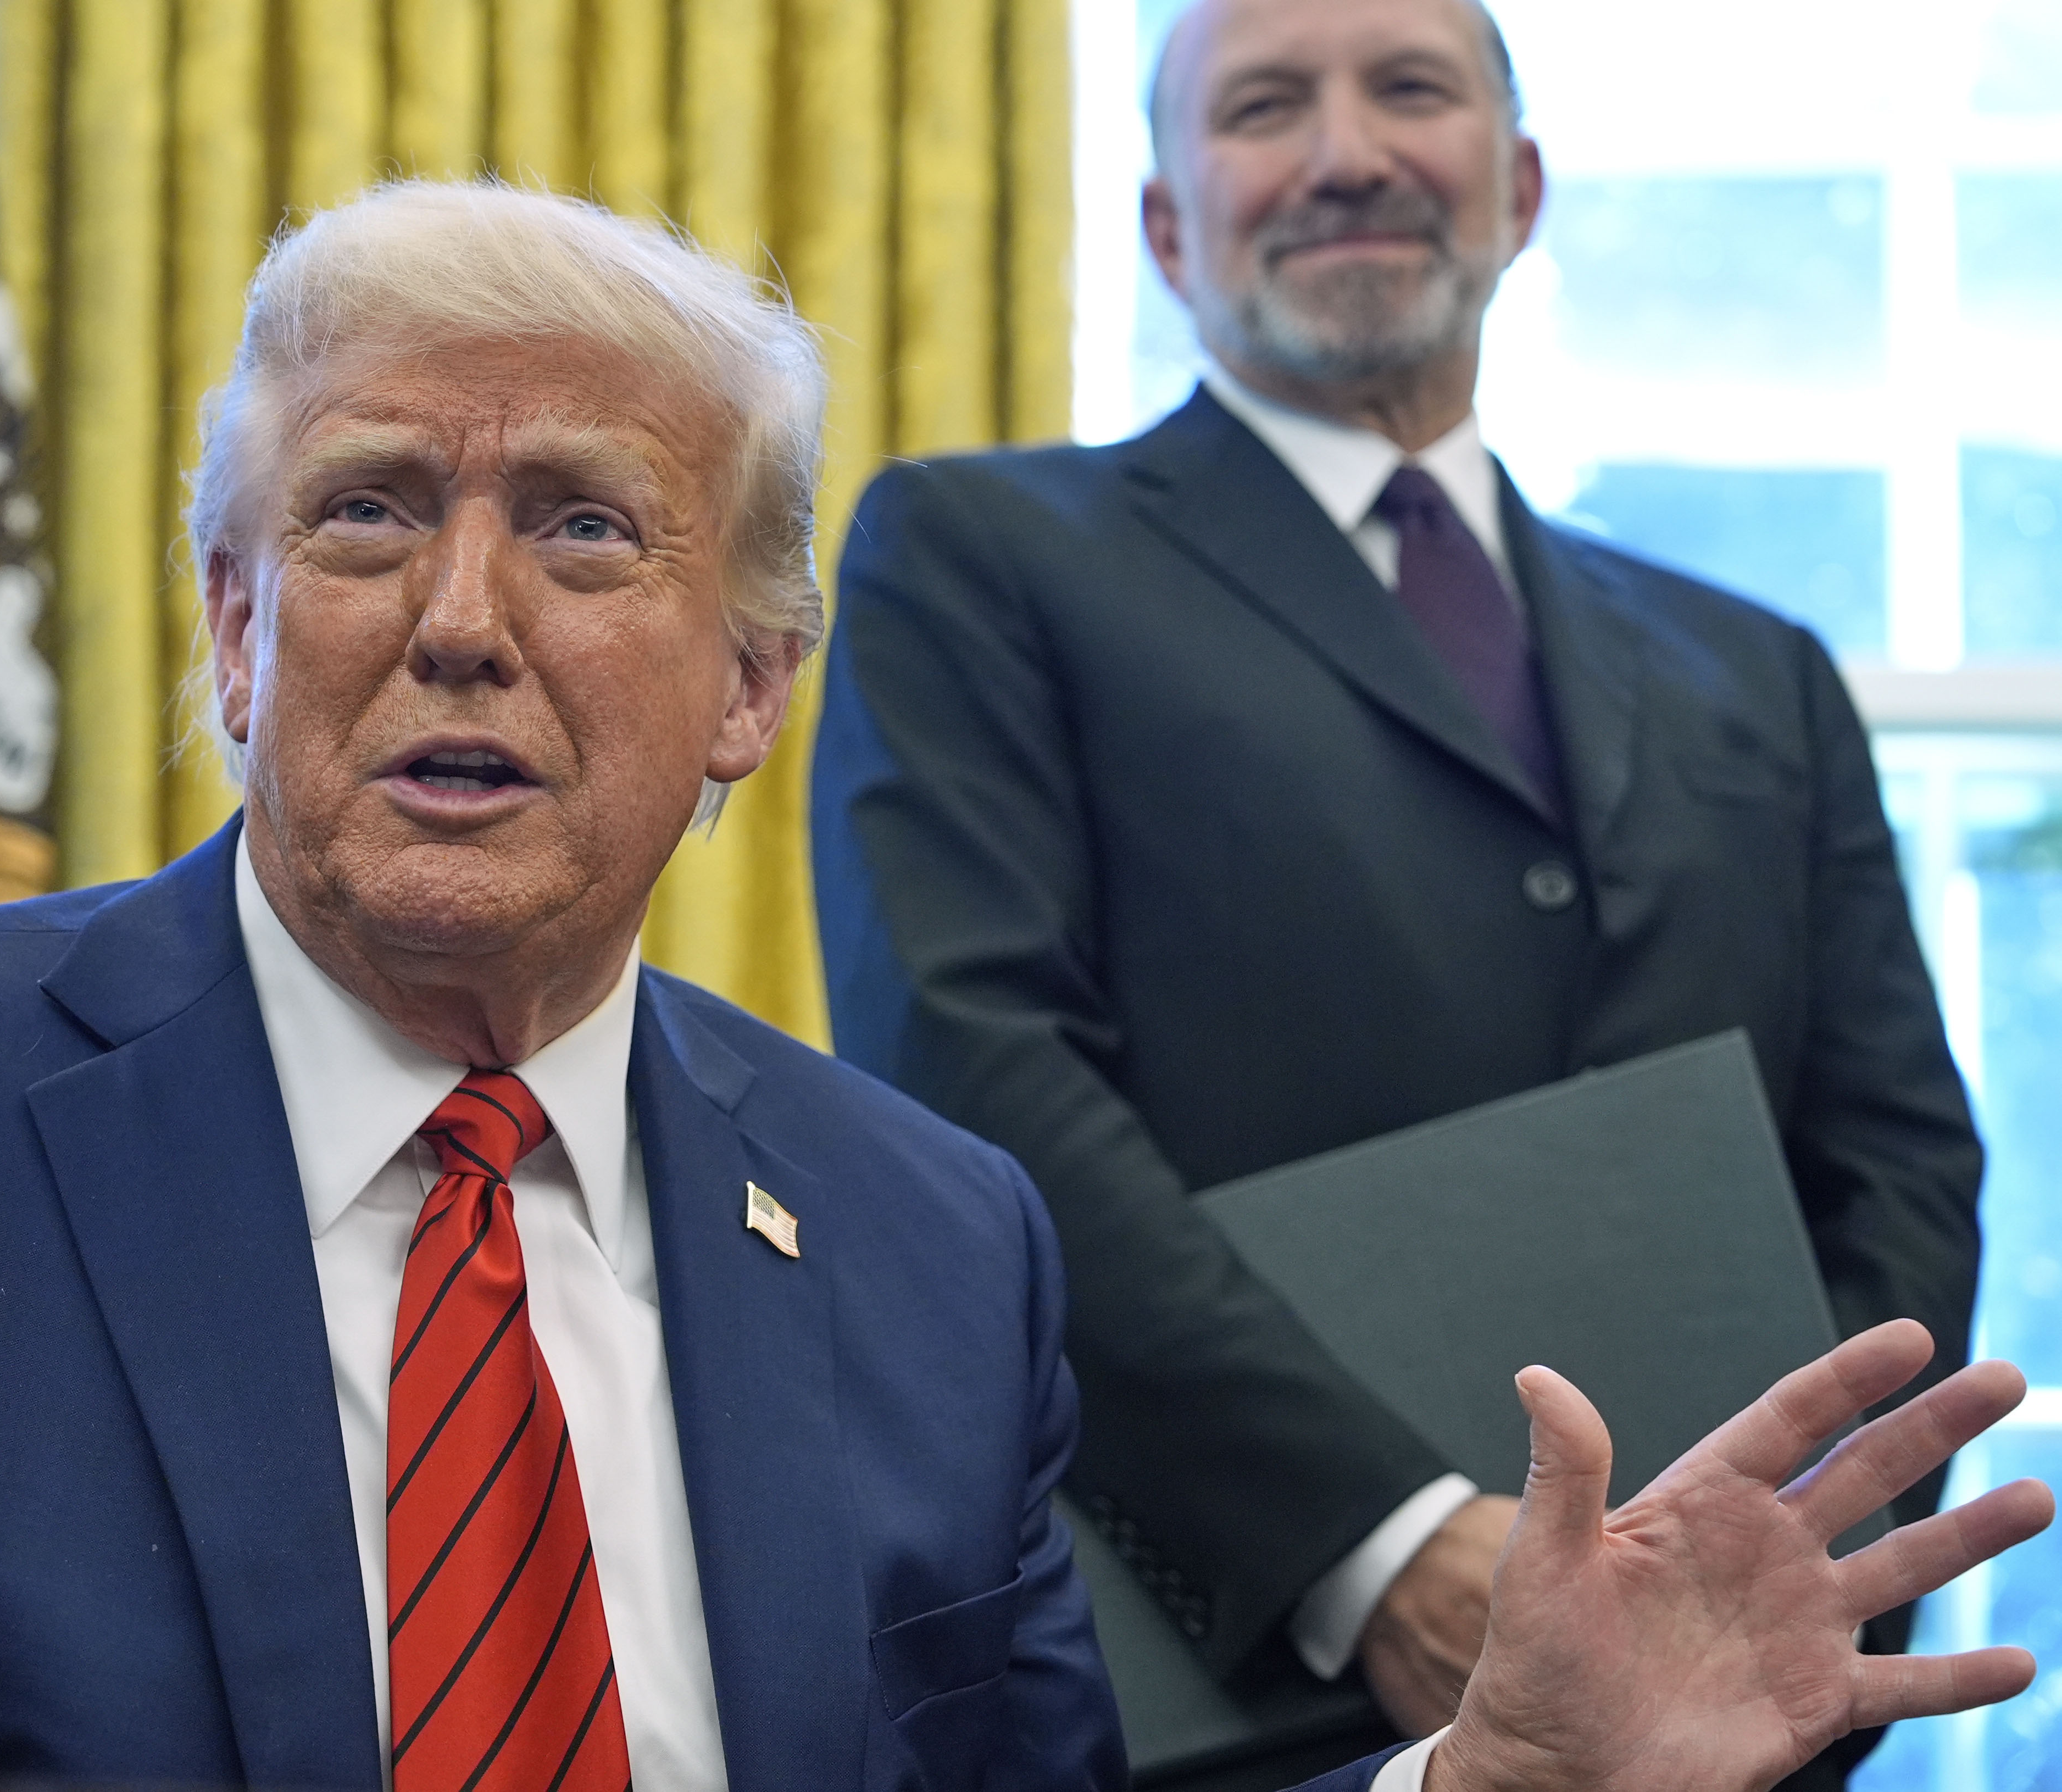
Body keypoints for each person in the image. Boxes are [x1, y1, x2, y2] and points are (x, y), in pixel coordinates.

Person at [0, 182, 2047, 1792]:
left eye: (583, 529)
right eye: (362, 516)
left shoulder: (934, 1242)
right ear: (230, 629)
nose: (457, 618)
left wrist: (1486, 1791)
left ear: (757, 685)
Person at [807, 0, 1984, 1780]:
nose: (1347, 152)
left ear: (1521, 189)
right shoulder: (980, 558)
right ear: (1167, 225)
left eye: (1411, 90)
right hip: (1245, 1697)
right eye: (1266, 106)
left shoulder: (1761, 667)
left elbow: (1898, 1155)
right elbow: (971, 1081)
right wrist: (1376, 1548)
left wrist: (1786, 1570)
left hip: (1726, 1714)